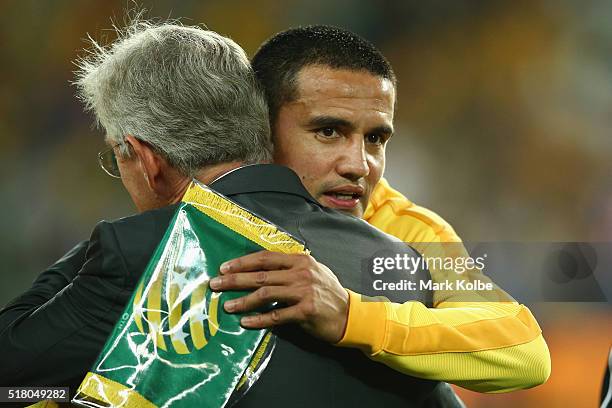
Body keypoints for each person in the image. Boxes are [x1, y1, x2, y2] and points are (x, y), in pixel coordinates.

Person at [0, 20, 464, 407]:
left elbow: (12, 380)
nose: (356, 164)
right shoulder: (402, 264)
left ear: (144, 159)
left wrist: (72, 389)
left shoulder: (142, 253)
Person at [208, 24, 551, 393]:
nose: (358, 165)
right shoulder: (207, 199)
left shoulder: (405, 231)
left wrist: (353, 316)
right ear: (262, 128)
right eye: (329, 131)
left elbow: (523, 349)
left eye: (374, 139)